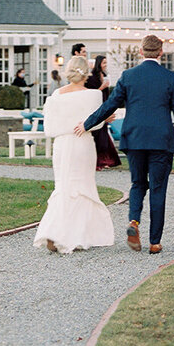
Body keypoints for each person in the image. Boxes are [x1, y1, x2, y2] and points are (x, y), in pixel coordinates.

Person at [76, 34, 174, 255]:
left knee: (138, 184)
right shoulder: (170, 78)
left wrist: (87, 123)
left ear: (141, 52)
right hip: (161, 141)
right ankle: (155, 242)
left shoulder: (128, 76)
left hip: (135, 139)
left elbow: (110, 104)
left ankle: (134, 221)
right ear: (161, 52)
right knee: (158, 189)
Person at [33, 56, 115, 254]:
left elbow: (49, 128)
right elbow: (93, 123)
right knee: (82, 186)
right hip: (82, 144)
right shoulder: (93, 95)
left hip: (61, 144)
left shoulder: (55, 96)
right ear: (86, 73)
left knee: (63, 187)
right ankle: (75, 235)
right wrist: (105, 119)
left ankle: (55, 231)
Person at [87, 55, 121, 169]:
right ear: (99, 64)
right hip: (95, 107)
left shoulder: (105, 75)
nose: (105, 65)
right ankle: (98, 161)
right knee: (99, 135)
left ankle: (106, 159)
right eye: (104, 63)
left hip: (104, 105)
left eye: (106, 63)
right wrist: (102, 86)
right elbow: (90, 94)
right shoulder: (92, 78)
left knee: (104, 134)